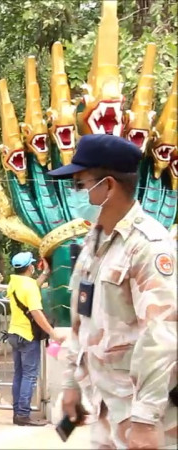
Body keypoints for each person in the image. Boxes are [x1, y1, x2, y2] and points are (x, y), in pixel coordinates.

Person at [48, 134, 177, 449]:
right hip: (105, 406)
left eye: (79, 184)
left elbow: (160, 337)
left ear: (107, 185)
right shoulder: (94, 242)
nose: (74, 193)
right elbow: (82, 321)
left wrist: (146, 420)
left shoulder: (148, 246)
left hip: (144, 414)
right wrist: (71, 386)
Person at [6, 251, 65, 426]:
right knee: (29, 376)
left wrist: (45, 273)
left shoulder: (14, 282)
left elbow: (31, 288)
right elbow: (36, 312)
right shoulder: (29, 286)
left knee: (19, 375)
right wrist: (53, 334)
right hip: (27, 335)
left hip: (14, 334)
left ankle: (17, 412)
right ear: (30, 267)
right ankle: (23, 415)